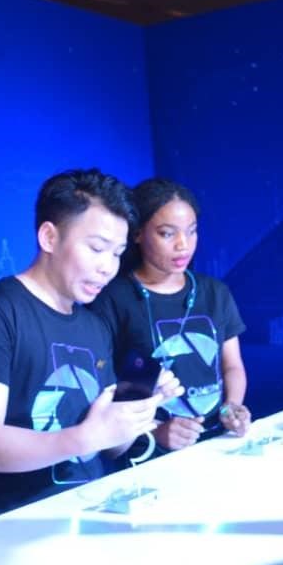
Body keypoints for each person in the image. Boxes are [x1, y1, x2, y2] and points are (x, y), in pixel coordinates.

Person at [0, 169, 182, 524]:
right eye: (96, 248)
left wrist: (140, 408)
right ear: (49, 237)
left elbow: (107, 445)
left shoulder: (94, 325)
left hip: (93, 516)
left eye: (117, 253)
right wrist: (81, 439)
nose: (108, 267)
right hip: (14, 529)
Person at [90, 178, 250, 453]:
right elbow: (102, 390)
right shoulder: (111, 299)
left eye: (192, 231)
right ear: (137, 233)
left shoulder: (215, 292)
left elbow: (232, 366)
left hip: (219, 443)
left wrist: (231, 406)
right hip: (147, 455)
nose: (183, 245)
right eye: (167, 234)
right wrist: (155, 430)